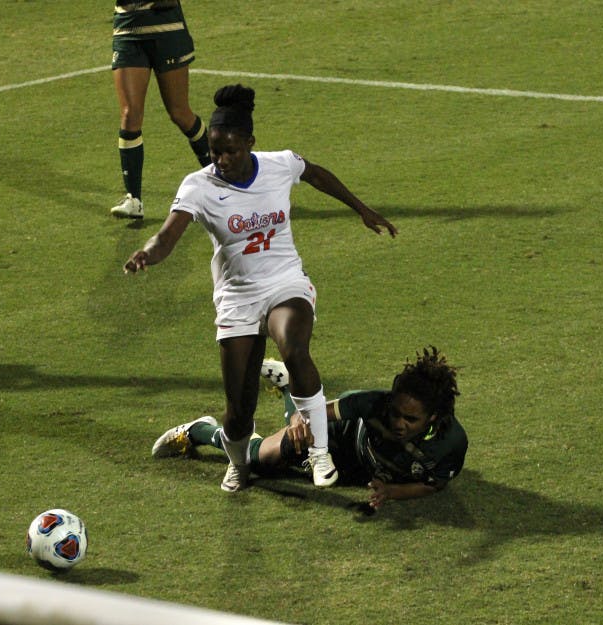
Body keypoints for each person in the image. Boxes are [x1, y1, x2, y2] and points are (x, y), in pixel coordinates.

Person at [124, 84, 398, 492]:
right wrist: (147, 253)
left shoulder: (279, 164)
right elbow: (166, 236)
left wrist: (361, 208)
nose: (220, 160)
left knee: (295, 346)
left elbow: (315, 173)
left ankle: (319, 452)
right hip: (237, 298)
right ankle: (237, 462)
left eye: (230, 151)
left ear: (250, 143)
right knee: (238, 410)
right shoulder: (199, 186)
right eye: (214, 152)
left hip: (285, 281)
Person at [152, 348, 468, 510]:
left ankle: (290, 386)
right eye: (396, 413)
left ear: (433, 417)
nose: (399, 423)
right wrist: (300, 421)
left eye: (410, 420)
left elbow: (433, 484)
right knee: (258, 461)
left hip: (358, 469)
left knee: (277, 467)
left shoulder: (450, 444)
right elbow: (317, 413)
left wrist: (392, 492)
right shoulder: (371, 403)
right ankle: (198, 431)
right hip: (337, 438)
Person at [109, 0, 212, 219]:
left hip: (167, 28)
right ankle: (134, 200)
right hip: (128, 29)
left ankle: (223, 179)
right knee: (129, 114)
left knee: (180, 113)